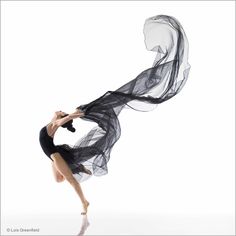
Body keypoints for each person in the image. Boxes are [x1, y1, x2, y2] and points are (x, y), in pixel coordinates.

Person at [39, 109, 91, 215]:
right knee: (58, 179)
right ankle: (78, 168)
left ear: (60, 117)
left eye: (61, 111)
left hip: (55, 155)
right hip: (53, 156)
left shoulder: (54, 124)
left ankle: (84, 202)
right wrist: (72, 113)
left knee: (71, 180)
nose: (60, 110)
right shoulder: (52, 122)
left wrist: (78, 114)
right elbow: (62, 118)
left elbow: (68, 118)